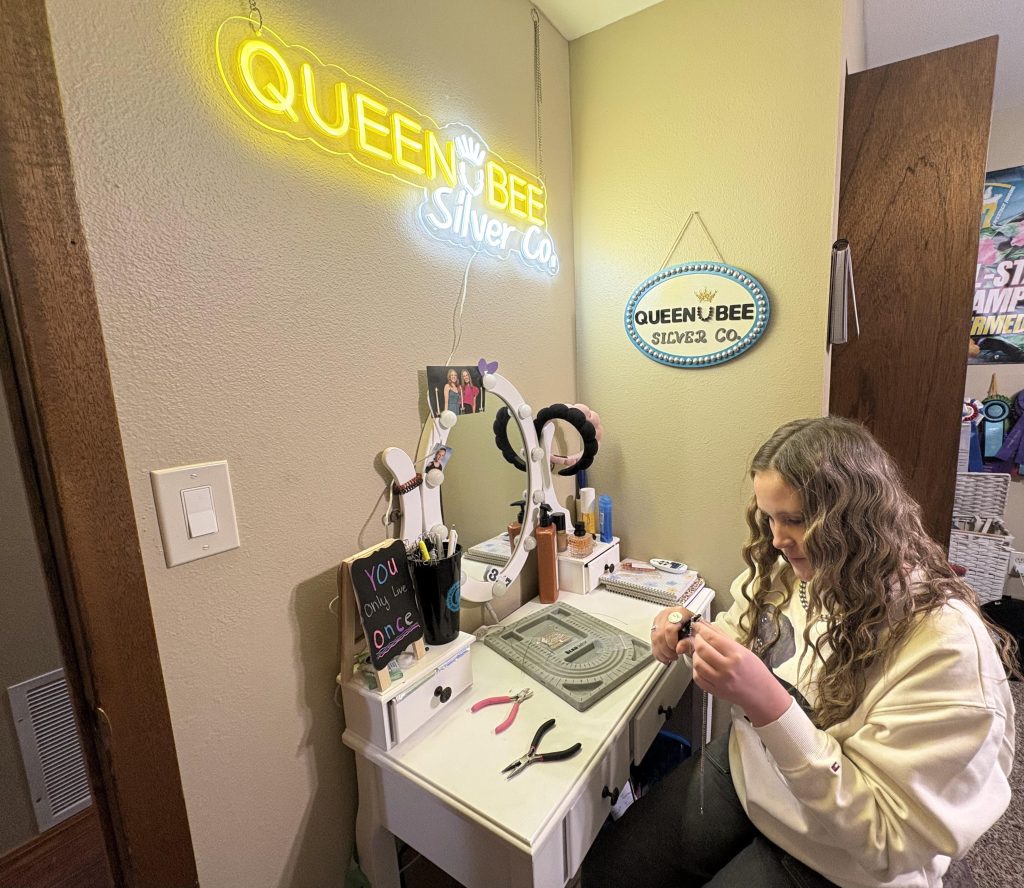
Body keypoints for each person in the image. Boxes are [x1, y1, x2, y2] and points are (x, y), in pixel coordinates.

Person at [583, 416, 1018, 888]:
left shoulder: (945, 649)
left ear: (858, 520)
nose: (775, 538)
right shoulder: (794, 570)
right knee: (611, 870)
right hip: (755, 775)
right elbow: (736, 632)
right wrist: (682, 627)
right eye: (770, 517)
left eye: (793, 520)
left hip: (844, 859)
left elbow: (889, 841)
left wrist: (770, 706)